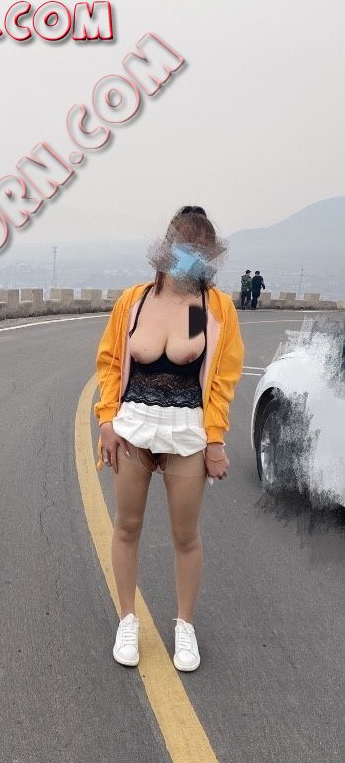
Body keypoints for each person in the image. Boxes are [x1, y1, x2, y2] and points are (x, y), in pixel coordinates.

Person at [94, 206, 244, 672]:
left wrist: (215, 440)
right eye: (184, 245)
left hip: (186, 433)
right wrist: (106, 420)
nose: (191, 256)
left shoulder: (206, 309)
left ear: (210, 255)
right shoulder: (136, 302)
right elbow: (112, 362)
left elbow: (217, 377)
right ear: (167, 245)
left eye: (200, 249)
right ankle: (127, 619)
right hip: (134, 429)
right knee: (126, 527)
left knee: (185, 536)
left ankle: (185, 625)